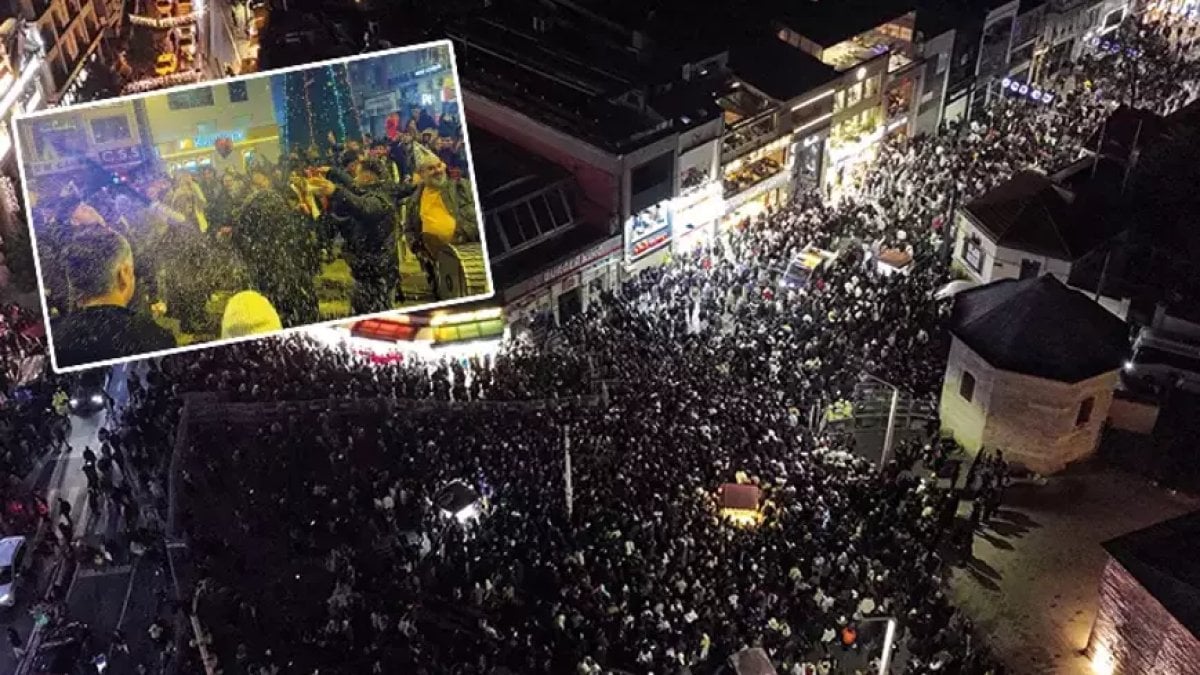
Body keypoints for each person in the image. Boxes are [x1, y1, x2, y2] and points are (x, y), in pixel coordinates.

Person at [50, 227, 176, 369]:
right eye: (132, 272)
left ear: (72, 281)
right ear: (124, 274)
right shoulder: (155, 340)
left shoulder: (50, 339)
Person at [309, 158, 407, 314]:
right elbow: (353, 188)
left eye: (357, 174)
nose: (354, 179)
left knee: (378, 315)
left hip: (377, 274)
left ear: (367, 178)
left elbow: (364, 208)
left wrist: (335, 191)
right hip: (367, 271)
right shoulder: (372, 190)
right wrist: (332, 172)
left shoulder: (380, 198)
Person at [227, 165, 320, 327]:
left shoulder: (271, 199)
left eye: (260, 179)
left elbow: (240, 237)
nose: (258, 184)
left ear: (267, 178)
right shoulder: (259, 203)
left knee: (283, 303)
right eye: (255, 182)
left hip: (276, 263)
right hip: (274, 263)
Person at [402, 145, 479, 298]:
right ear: (421, 174)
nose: (437, 171)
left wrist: (463, 234)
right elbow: (409, 229)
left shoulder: (462, 188)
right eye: (431, 168)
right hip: (437, 265)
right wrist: (418, 248)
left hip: (470, 257)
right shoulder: (414, 200)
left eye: (439, 165)